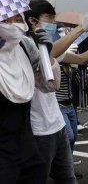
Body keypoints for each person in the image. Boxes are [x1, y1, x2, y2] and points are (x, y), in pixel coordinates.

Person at [24, 0, 88, 179]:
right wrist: (81, 27)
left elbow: (81, 58)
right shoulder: (25, 45)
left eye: (54, 18)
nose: (53, 23)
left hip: (56, 124)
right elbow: (49, 54)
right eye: (49, 18)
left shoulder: (46, 44)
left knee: (68, 178)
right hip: (38, 129)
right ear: (32, 21)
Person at [0, 12, 61, 184]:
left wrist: (46, 54)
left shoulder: (25, 45)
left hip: (27, 148)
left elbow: (49, 85)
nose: (13, 24)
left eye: (18, 19)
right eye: (5, 20)